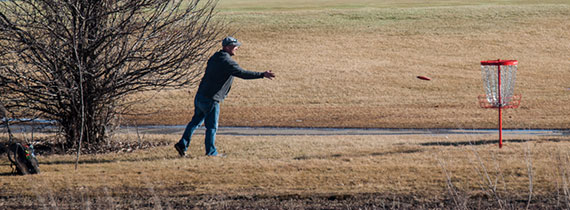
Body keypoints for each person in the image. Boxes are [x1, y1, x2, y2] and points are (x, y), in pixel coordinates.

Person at [174, 36, 275, 157]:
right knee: (212, 127)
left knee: (195, 122)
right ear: (227, 47)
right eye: (235, 46)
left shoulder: (215, 57)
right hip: (211, 99)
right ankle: (211, 153)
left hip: (200, 95)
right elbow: (242, 73)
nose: (237, 48)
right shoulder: (227, 62)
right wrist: (262, 74)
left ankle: (182, 144)